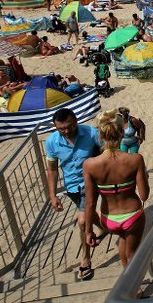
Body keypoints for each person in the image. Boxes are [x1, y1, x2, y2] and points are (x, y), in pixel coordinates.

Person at [84, 109, 149, 268]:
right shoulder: (135, 159)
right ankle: (134, 288)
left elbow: (90, 203)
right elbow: (144, 195)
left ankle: (125, 276)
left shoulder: (90, 165)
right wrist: (144, 178)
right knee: (132, 252)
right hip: (132, 214)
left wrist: (88, 231)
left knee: (123, 240)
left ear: (100, 135)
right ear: (122, 133)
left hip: (109, 218)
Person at [45, 108, 103, 280]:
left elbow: (106, 152)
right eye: (61, 128)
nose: (66, 131)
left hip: (90, 183)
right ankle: (104, 227)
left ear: (76, 121)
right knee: (88, 215)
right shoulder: (52, 142)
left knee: (83, 221)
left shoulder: (91, 133)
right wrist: (53, 195)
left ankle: (85, 259)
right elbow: (52, 169)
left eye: (69, 126)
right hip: (71, 187)